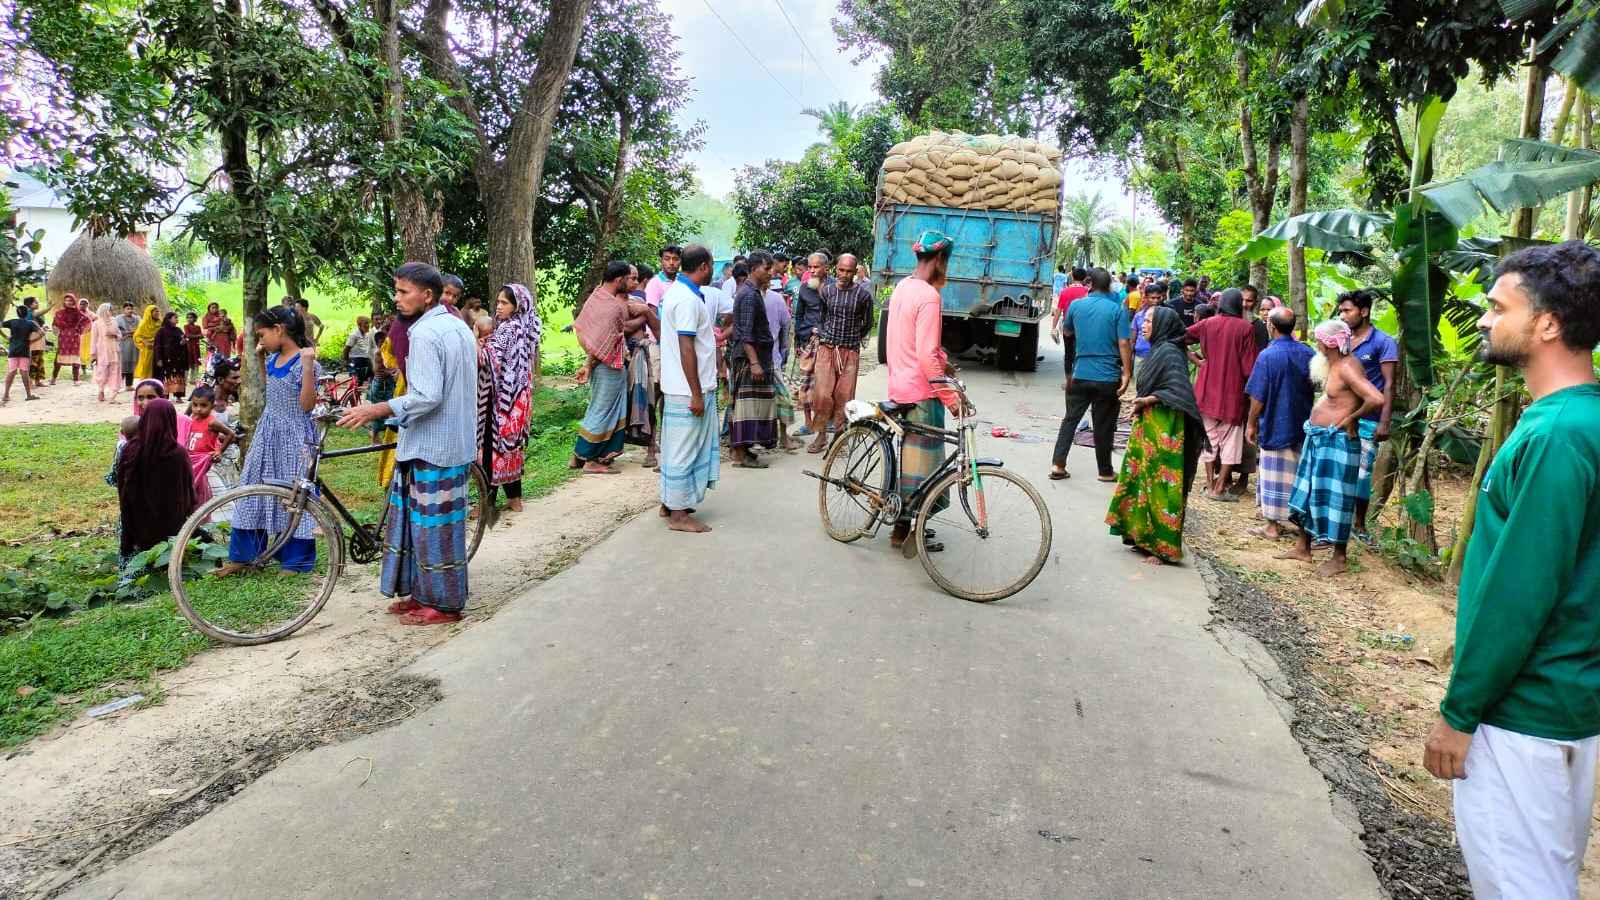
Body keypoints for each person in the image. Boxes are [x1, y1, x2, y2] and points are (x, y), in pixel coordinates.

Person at [1421, 241, 1600, 900]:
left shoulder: (1556, 435)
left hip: (1521, 712)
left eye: (1499, 308)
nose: (1484, 319)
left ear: (1547, 324)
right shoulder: (1585, 421)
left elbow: (1519, 592)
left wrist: (1459, 711)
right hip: (1570, 700)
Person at [337, 263, 479, 625]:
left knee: (434, 528)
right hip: (449, 441)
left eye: (403, 292)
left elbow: (427, 395)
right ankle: (423, 593)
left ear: (427, 296)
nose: (397, 299)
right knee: (425, 526)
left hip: (435, 445)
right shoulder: (456, 325)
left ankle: (444, 605)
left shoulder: (427, 334)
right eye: (396, 291)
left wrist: (377, 409)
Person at [214, 307, 321, 579]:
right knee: (252, 489)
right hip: (268, 432)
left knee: (294, 496)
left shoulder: (304, 361)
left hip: (295, 437)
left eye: (262, 334)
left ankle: (294, 562)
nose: (260, 340)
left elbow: (307, 405)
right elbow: (271, 387)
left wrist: (308, 366)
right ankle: (244, 556)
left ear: (279, 330)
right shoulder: (274, 358)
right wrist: (261, 359)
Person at [1278, 319, 1383, 576]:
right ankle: (1303, 547)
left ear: (1329, 343)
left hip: (1337, 442)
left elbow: (1376, 398)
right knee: (1308, 491)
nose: (1317, 345)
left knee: (1337, 498)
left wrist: (1351, 418)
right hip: (1319, 438)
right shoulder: (1334, 365)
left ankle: (1339, 557)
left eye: (1319, 341)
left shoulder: (1347, 367)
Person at [1106, 306, 1207, 564]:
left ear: (1162, 325)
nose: (1144, 325)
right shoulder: (1158, 349)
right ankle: (1141, 536)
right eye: (1145, 320)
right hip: (1149, 424)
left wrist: (1149, 400)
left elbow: (1178, 391)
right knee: (1141, 479)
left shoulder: (1170, 353)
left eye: (1150, 321)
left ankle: (1162, 548)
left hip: (1166, 427)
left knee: (1162, 485)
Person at [884, 230, 963, 553]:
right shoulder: (930, 296)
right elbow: (926, 356)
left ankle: (902, 529)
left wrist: (944, 363)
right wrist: (951, 399)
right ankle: (906, 531)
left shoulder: (903, 286)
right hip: (921, 392)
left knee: (911, 463)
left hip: (899, 385)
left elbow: (915, 343)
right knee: (925, 470)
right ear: (941, 259)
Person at [657, 244, 720, 533]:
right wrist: (696, 393)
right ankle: (679, 515)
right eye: (712, 266)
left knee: (676, 448)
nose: (713, 271)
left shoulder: (679, 293)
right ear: (704, 266)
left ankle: (670, 502)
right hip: (687, 390)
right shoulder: (686, 300)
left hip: (680, 387)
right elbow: (686, 347)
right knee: (684, 450)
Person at [1049, 267, 1131, 482]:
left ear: (1089, 284)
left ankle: (1058, 465)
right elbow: (1124, 343)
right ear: (1109, 286)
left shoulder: (1077, 306)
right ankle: (1105, 471)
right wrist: (1127, 373)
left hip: (1080, 372)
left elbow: (1067, 331)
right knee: (1103, 425)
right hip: (1108, 376)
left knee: (1070, 419)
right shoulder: (1117, 310)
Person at [1244, 306, 1314, 540]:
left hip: (1275, 422)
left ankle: (1272, 526)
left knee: (1273, 473)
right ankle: (1295, 520)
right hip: (1301, 422)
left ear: (1271, 326)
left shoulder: (1267, 355)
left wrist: (1251, 423)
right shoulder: (1307, 352)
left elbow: (1258, 395)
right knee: (1296, 473)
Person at [573, 261, 648, 473]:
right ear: (619, 280)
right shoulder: (614, 307)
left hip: (598, 364)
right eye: (628, 278)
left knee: (597, 409)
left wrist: (588, 363)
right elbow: (606, 342)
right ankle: (591, 460)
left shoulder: (596, 296)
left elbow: (584, 329)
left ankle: (578, 457)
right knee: (605, 412)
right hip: (608, 366)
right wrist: (590, 364)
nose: (632, 282)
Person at [1185, 288, 1259, 501]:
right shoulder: (1245, 328)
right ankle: (1219, 488)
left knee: (1209, 438)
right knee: (1231, 441)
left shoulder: (1208, 324)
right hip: (1233, 393)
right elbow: (1249, 368)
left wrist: (1197, 361)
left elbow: (1180, 336)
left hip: (1206, 390)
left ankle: (1209, 484)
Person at [1337, 289, 1398, 539]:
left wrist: (1384, 421)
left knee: (1362, 474)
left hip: (1368, 418)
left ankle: (1360, 525)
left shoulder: (1383, 342)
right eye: (1340, 311)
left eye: (1347, 311)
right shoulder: (1341, 339)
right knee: (1339, 468)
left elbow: (1389, 384)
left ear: (1363, 311)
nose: (1342, 316)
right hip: (1341, 416)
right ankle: (1337, 520)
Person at [482, 283, 543, 512]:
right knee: (512, 446)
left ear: (517, 306)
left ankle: (487, 502)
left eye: (504, 303)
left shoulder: (508, 329)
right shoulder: (527, 326)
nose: (499, 307)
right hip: (520, 398)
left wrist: (478, 342)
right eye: (498, 302)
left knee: (493, 446)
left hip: (503, 399)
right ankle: (514, 499)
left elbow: (491, 360)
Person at [806, 253, 874, 453]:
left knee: (844, 396)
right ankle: (821, 435)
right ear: (836, 268)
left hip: (849, 352)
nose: (844, 274)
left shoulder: (863, 296)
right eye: (841, 270)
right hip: (827, 349)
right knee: (821, 394)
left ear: (855, 272)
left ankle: (839, 438)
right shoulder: (826, 291)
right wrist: (824, 335)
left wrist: (853, 338)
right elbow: (822, 317)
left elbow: (868, 323)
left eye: (849, 271)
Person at [116, 397, 198, 563]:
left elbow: (122, 485)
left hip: (137, 523)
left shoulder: (131, 449)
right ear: (171, 420)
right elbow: (188, 491)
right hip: (170, 527)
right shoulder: (177, 453)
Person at [728, 251, 778, 466]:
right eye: (767, 268)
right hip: (750, 360)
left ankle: (743, 451)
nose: (771, 272)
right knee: (746, 407)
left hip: (755, 357)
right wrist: (755, 363)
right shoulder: (749, 295)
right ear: (755, 268)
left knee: (753, 405)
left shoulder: (751, 292)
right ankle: (741, 454)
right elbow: (746, 333)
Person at [624, 265, 661, 466]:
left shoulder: (638, 300)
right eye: (632, 278)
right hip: (622, 359)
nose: (636, 283)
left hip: (641, 354)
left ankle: (651, 448)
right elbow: (622, 326)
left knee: (649, 400)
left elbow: (654, 328)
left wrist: (644, 312)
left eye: (637, 278)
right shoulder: (618, 301)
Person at [790, 251, 829, 437]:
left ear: (826, 268)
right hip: (807, 341)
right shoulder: (805, 288)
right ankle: (807, 423)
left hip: (828, 342)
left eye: (816, 267)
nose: (812, 271)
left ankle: (823, 422)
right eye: (810, 267)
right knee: (805, 383)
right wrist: (798, 340)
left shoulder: (833, 288)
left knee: (824, 386)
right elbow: (799, 316)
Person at [182, 384, 236, 509]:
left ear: (212, 406)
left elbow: (230, 434)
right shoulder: (192, 418)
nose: (198, 409)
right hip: (191, 460)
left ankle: (204, 513)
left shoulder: (212, 422)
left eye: (203, 405)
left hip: (204, 463)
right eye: (195, 405)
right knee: (190, 489)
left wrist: (219, 451)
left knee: (200, 489)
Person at [49, 293, 91, 384]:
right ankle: (53, 379)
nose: (68, 302)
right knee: (58, 358)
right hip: (63, 337)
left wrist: (80, 330)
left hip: (74, 338)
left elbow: (87, 320)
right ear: (64, 301)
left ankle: (76, 380)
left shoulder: (77, 312)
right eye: (66, 300)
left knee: (75, 358)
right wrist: (56, 332)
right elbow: (55, 324)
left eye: (70, 300)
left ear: (74, 301)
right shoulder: (59, 313)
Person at [2, 305, 41, 403]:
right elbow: (42, 333)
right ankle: (28, 395)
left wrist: (6, 337)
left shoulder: (12, 322)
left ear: (17, 313)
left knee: (12, 371)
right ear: (27, 313)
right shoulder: (30, 323)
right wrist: (31, 341)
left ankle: (6, 395)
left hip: (13, 350)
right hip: (24, 350)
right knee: (24, 372)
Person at [90, 303, 123, 403]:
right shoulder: (96, 323)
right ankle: (101, 390)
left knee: (115, 370)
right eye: (110, 310)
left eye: (112, 310)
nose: (111, 312)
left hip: (114, 350)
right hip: (102, 351)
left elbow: (120, 335)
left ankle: (113, 395)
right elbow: (93, 340)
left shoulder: (114, 321)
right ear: (104, 310)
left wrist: (115, 335)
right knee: (102, 370)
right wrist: (93, 354)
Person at [153, 311, 190, 399]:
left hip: (177, 359)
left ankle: (178, 396)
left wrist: (183, 343)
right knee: (167, 376)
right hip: (166, 358)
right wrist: (158, 359)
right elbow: (157, 346)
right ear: (169, 319)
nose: (177, 319)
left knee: (178, 375)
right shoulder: (161, 331)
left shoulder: (178, 330)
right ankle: (165, 396)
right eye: (175, 317)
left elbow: (181, 342)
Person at [645, 245, 681, 310]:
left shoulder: (683, 281)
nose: (671, 263)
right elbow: (652, 313)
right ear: (661, 261)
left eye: (675, 259)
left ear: (680, 261)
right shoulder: (655, 283)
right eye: (667, 259)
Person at [343, 315, 374, 385]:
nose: (368, 325)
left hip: (365, 359)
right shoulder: (354, 335)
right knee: (358, 381)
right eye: (365, 323)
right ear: (359, 325)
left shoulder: (367, 334)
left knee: (373, 369)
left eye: (368, 323)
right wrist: (346, 361)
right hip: (356, 360)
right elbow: (346, 349)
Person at [115, 302, 140, 388]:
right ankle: (118, 385)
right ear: (123, 310)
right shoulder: (118, 319)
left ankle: (129, 385)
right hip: (122, 343)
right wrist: (128, 333)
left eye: (131, 309)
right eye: (128, 309)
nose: (130, 310)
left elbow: (140, 329)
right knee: (121, 363)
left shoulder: (137, 319)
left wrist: (134, 333)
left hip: (133, 344)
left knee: (132, 363)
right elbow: (115, 330)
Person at [132, 304, 159, 380]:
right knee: (147, 366)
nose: (157, 313)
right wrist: (145, 342)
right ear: (149, 313)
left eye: (158, 311)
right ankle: (146, 381)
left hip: (158, 348)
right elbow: (136, 336)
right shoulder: (144, 324)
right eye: (155, 311)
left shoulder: (160, 323)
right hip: (148, 349)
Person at [1241, 284, 1270, 350]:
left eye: (1249, 301)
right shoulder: (1231, 322)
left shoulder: (1261, 326)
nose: (1244, 304)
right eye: (1241, 300)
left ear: (1256, 303)